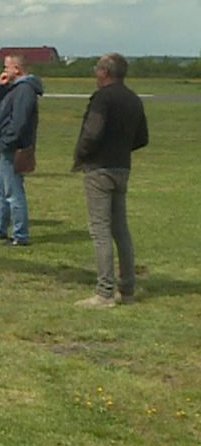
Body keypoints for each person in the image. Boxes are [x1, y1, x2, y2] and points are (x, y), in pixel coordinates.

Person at [72, 52, 149, 308]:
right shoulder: (133, 98)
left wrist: (81, 155)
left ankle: (104, 292)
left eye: (97, 68)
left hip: (99, 169)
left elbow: (92, 132)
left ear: (105, 72)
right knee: (120, 230)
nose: (95, 73)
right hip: (122, 168)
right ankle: (127, 289)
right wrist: (121, 149)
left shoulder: (102, 98)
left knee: (100, 231)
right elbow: (142, 138)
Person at [0, 54, 41, 246]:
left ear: (17, 69)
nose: (4, 70)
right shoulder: (14, 88)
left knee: (13, 192)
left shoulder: (24, 90)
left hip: (14, 148)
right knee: (1, 189)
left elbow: (19, 121)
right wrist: (0, 85)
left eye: (7, 67)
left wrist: (6, 141)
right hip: (8, 145)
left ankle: (20, 235)